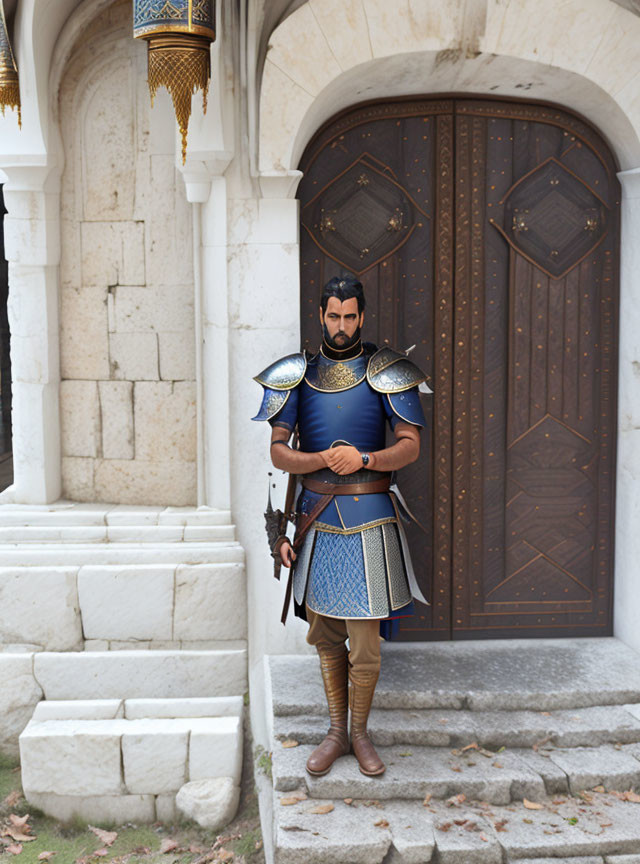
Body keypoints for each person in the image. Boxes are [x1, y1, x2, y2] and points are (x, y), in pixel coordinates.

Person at [252, 275, 430, 778]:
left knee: (365, 643)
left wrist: (366, 457)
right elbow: (278, 452)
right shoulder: (296, 375)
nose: (342, 325)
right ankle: (335, 732)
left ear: (362, 316)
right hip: (314, 518)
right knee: (326, 636)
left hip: (371, 516)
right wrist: (320, 460)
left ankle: (359, 734)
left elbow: (410, 445)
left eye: (350, 316)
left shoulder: (387, 371)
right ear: (322, 315)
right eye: (334, 316)